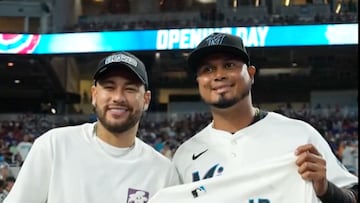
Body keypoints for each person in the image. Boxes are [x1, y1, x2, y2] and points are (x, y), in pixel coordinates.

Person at [151, 33, 358, 202]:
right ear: (199, 81)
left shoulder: (299, 134)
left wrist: (325, 189)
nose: (218, 75)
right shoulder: (186, 155)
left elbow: (353, 196)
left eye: (229, 65)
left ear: (250, 74)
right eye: (208, 69)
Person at [4, 51, 180, 203]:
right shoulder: (54, 146)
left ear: (146, 100)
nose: (118, 97)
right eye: (109, 87)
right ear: (94, 95)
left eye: (130, 89)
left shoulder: (163, 172)